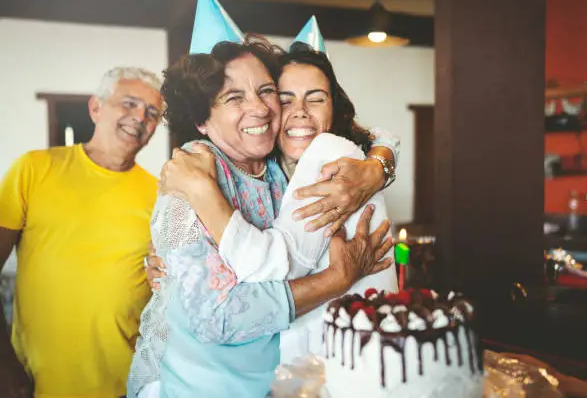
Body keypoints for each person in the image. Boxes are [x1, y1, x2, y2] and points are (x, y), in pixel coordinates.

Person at [127, 40, 396, 398]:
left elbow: (363, 135)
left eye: (266, 91)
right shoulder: (191, 175)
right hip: (191, 385)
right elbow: (217, 319)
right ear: (202, 120)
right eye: (234, 97)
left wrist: (378, 165)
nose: (259, 107)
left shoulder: (279, 165)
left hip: (271, 383)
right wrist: (336, 279)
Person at [0, 67, 164, 398]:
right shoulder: (33, 169)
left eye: (152, 113)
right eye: (129, 104)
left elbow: (166, 286)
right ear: (95, 108)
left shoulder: (161, 194)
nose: (140, 118)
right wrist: (5, 368)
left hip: (130, 383)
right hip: (36, 383)